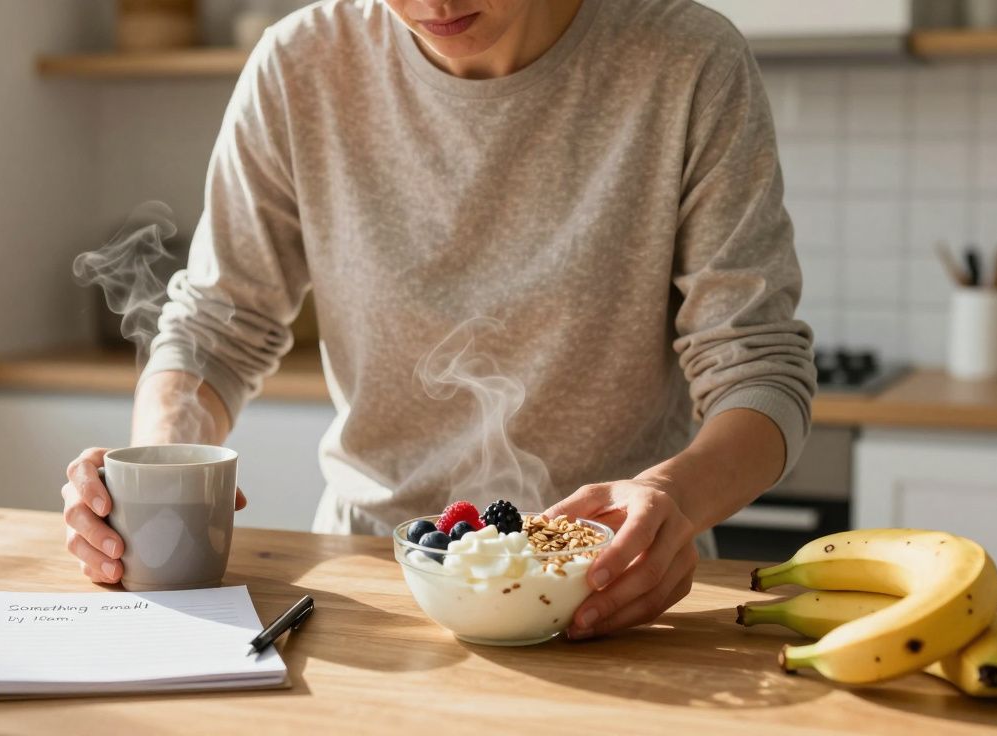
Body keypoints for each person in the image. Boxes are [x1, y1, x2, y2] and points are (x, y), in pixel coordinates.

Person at [61, 0, 815, 641]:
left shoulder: (687, 63)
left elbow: (760, 368)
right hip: (374, 587)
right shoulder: (300, 66)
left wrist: (674, 498)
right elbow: (213, 328)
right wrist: (152, 475)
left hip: (614, 583)